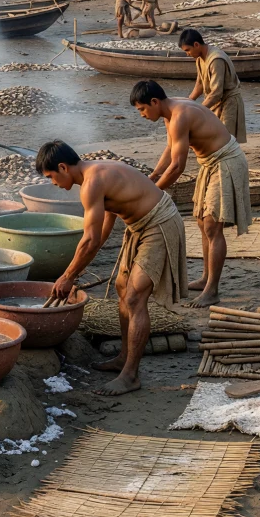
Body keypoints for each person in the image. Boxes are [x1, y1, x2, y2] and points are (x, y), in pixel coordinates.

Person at [40, 142, 186, 396]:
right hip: (138, 227)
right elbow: (106, 220)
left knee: (135, 297)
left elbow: (89, 240)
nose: (52, 182)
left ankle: (130, 376)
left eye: (51, 176)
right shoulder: (93, 174)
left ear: (63, 167)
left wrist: (68, 276)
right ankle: (124, 358)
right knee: (121, 288)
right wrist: (83, 261)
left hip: (159, 223)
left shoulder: (91, 183)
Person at [132, 80, 253, 308]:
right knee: (201, 221)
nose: (142, 115)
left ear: (154, 102)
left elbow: (178, 166)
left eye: (142, 109)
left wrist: (153, 194)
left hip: (225, 162)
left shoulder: (180, 115)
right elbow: (171, 149)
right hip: (209, 163)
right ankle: (206, 278)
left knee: (212, 225)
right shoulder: (170, 112)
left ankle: (212, 290)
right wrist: (153, 177)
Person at [182, 28, 247, 143]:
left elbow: (216, 93)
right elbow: (200, 84)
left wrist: (197, 111)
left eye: (188, 50)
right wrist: (187, 103)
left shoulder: (216, 59)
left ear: (196, 45)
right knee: (214, 140)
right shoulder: (200, 59)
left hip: (228, 103)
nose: (187, 54)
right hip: (216, 103)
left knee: (226, 142)